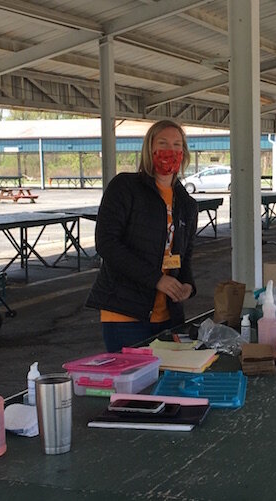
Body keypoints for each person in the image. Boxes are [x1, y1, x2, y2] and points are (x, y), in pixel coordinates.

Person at [86, 120, 198, 352]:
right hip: (125, 314)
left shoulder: (186, 203)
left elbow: (184, 255)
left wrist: (187, 285)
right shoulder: (125, 188)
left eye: (177, 145)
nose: (171, 151)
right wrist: (156, 279)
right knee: (132, 384)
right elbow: (107, 243)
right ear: (150, 149)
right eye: (163, 143)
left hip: (168, 316)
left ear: (184, 153)